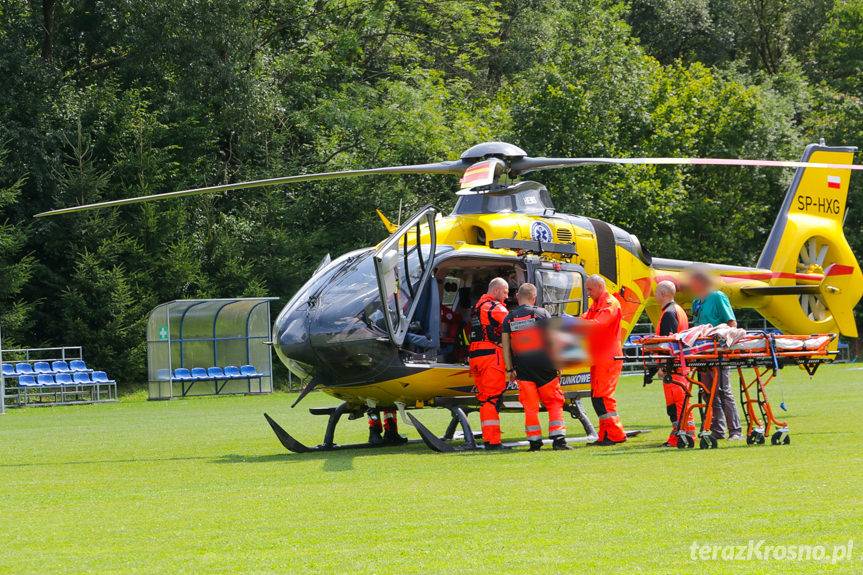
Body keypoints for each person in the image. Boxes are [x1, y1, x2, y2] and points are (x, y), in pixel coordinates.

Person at [501, 283, 571, 451]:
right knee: (554, 402)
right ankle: (558, 440)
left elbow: (506, 346)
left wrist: (510, 369)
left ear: (518, 296)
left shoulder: (508, 318)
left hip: (523, 367)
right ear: (534, 297)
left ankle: (534, 442)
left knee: (530, 406)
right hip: (544, 365)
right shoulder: (541, 313)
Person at [688, 266, 743, 441]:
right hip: (703, 353)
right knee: (707, 392)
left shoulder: (718, 297)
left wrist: (722, 339)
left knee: (722, 390)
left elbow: (732, 323)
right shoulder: (696, 302)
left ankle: (735, 431)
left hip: (719, 352)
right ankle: (718, 430)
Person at [581, 274, 627, 445]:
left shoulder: (609, 304)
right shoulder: (597, 305)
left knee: (603, 396)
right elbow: (586, 319)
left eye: (590, 289)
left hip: (608, 356)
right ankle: (606, 435)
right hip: (600, 356)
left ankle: (616, 435)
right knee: (597, 396)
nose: (588, 292)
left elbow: (597, 324)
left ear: (600, 287)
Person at [468, 277, 510, 450]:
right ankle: (493, 442)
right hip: (491, 357)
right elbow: (513, 324)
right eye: (506, 292)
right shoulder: (496, 308)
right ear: (497, 290)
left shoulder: (477, 308)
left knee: (486, 400)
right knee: (492, 399)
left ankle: (488, 438)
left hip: (476, 357)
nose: (507, 296)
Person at [653, 280, 696, 447]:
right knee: (679, 403)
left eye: (656, 292)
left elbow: (667, 343)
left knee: (677, 404)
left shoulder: (669, 313)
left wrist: (663, 366)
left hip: (674, 368)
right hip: (680, 365)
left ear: (663, 293)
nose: (655, 295)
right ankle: (680, 435)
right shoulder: (678, 311)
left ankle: (684, 436)